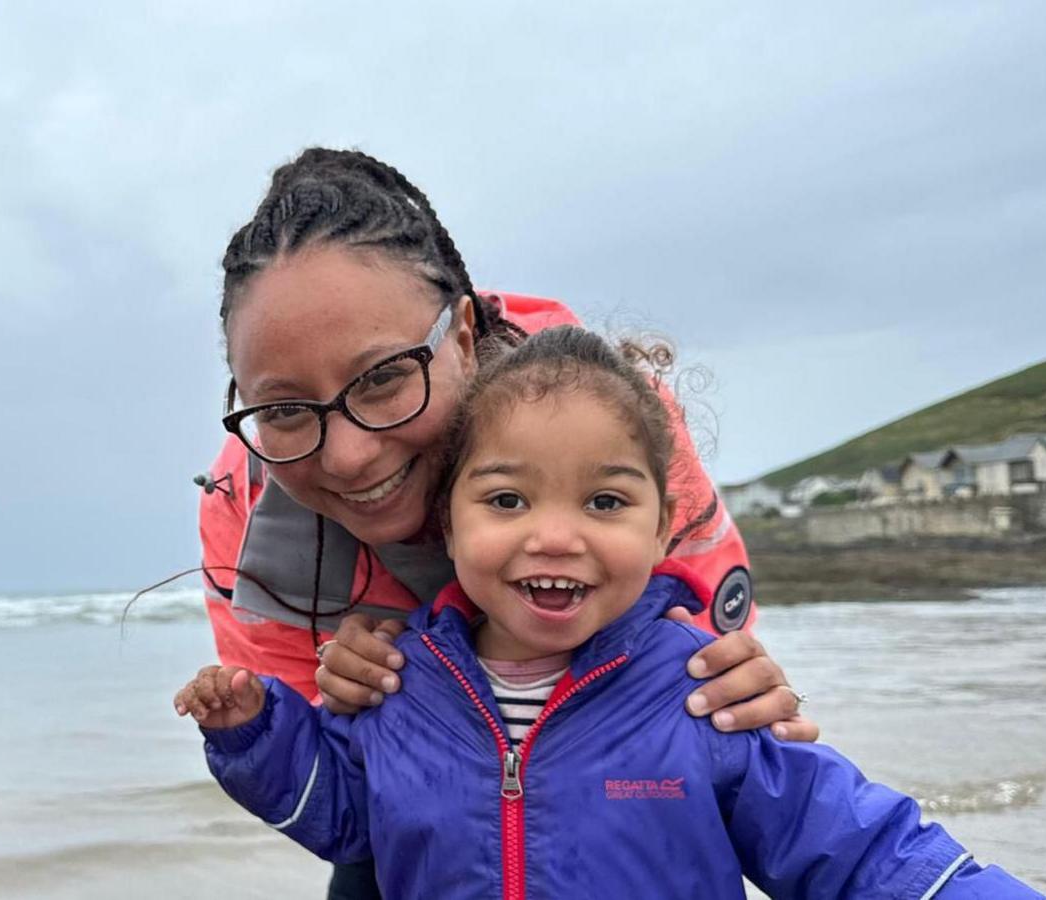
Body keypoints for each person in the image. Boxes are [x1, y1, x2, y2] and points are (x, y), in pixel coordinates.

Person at [178, 326, 1036, 898]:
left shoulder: (703, 692)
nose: (555, 537)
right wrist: (257, 732)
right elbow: (339, 814)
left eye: (605, 503)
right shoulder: (401, 687)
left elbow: (860, 850)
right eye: (508, 500)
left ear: (665, 527)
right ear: (448, 521)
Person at [196, 148, 814, 896]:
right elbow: (338, 794)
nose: (352, 456)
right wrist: (341, 696)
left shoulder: (604, 417)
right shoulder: (243, 501)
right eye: (287, 408)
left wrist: (736, 677)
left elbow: (709, 653)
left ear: (461, 336)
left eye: (386, 376)